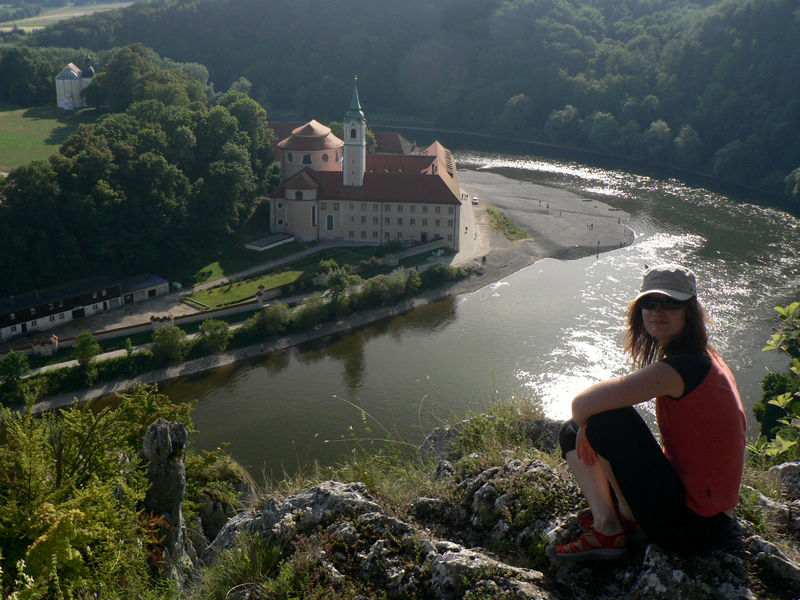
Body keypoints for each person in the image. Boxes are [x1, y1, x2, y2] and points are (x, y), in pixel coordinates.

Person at [549, 264, 746, 561]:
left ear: (689, 310)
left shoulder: (682, 369)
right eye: (649, 303)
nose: (658, 311)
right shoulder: (702, 357)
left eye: (671, 303)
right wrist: (586, 426)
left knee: (605, 420)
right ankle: (610, 524)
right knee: (573, 430)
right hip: (703, 512)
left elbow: (581, 404)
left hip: (694, 528)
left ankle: (618, 525)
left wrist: (591, 423)